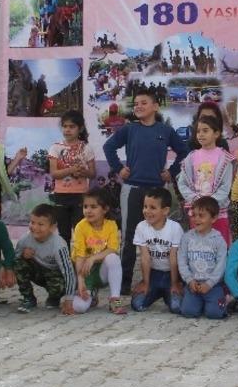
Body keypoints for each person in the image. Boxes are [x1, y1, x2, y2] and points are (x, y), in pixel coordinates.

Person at [103, 86, 188, 294]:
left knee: (157, 238)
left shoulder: (165, 130)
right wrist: (118, 168)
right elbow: (108, 147)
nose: (139, 106)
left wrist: (172, 171)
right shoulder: (130, 129)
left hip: (157, 191)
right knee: (130, 236)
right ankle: (123, 286)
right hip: (132, 189)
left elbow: (184, 151)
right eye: (136, 104)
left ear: (155, 106)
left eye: (144, 103)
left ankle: (163, 281)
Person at [67, 188, 127, 315]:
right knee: (79, 307)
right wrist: (81, 281)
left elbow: (112, 248)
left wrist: (93, 258)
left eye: (93, 207)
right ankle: (91, 293)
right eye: (85, 206)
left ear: (105, 209)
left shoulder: (111, 225)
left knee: (113, 258)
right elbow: (79, 256)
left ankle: (115, 299)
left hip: (101, 270)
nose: (88, 210)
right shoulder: (81, 226)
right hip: (84, 271)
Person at [177, 114, 233, 244]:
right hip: (197, 211)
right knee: (198, 247)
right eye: (198, 131)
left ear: (216, 133)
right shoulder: (190, 157)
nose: (201, 134)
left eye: (205, 130)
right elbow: (182, 183)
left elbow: (225, 187)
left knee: (219, 247)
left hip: (217, 212)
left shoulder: (224, 158)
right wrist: (196, 200)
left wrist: (210, 204)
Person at [14, 203, 77, 314]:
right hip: (38, 272)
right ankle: (28, 298)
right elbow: (14, 257)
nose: (35, 227)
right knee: (18, 263)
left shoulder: (59, 245)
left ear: (52, 227)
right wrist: (22, 254)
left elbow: (69, 272)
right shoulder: (25, 239)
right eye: (32, 222)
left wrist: (69, 300)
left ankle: (54, 298)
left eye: (41, 224)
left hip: (54, 274)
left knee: (59, 286)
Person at [130, 187, 184, 314]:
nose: (147, 211)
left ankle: (169, 294)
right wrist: (145, 282)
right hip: (153, 274)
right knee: (136, 304)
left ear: (165, 210)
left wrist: (175, 283)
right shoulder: (141, 227)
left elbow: (173, 258)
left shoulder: (175, 228)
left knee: (177, 307)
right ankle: (156, 291)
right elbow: (145, 258)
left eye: (152, 208)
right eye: (145, 206)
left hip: (171, 274)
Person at [47, 110, 96, 244]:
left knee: (81, 232)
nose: (67, 130)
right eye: (65, 126)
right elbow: (54, 173)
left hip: (80, 196)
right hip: (61, 195)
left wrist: (82, 171)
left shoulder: (86, 148)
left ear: (80, 128)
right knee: (63, 234)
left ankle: (81, 262)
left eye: (72, 127)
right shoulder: (55, 148)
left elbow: (93, 174)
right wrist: (71, 170)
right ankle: (65, 263)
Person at [178, 196, 229, 320]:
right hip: (193, 285)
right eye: (194, 215)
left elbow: (221, 265)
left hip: (213, 285)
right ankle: (196, 302)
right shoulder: (187, 238)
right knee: (188, 312)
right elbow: (182, 261)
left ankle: (224, 300)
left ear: (214, 218)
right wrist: (189, 280)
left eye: (201, 216)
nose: (196, 219)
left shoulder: (218, 240)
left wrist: (210, 283)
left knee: (214, 314)